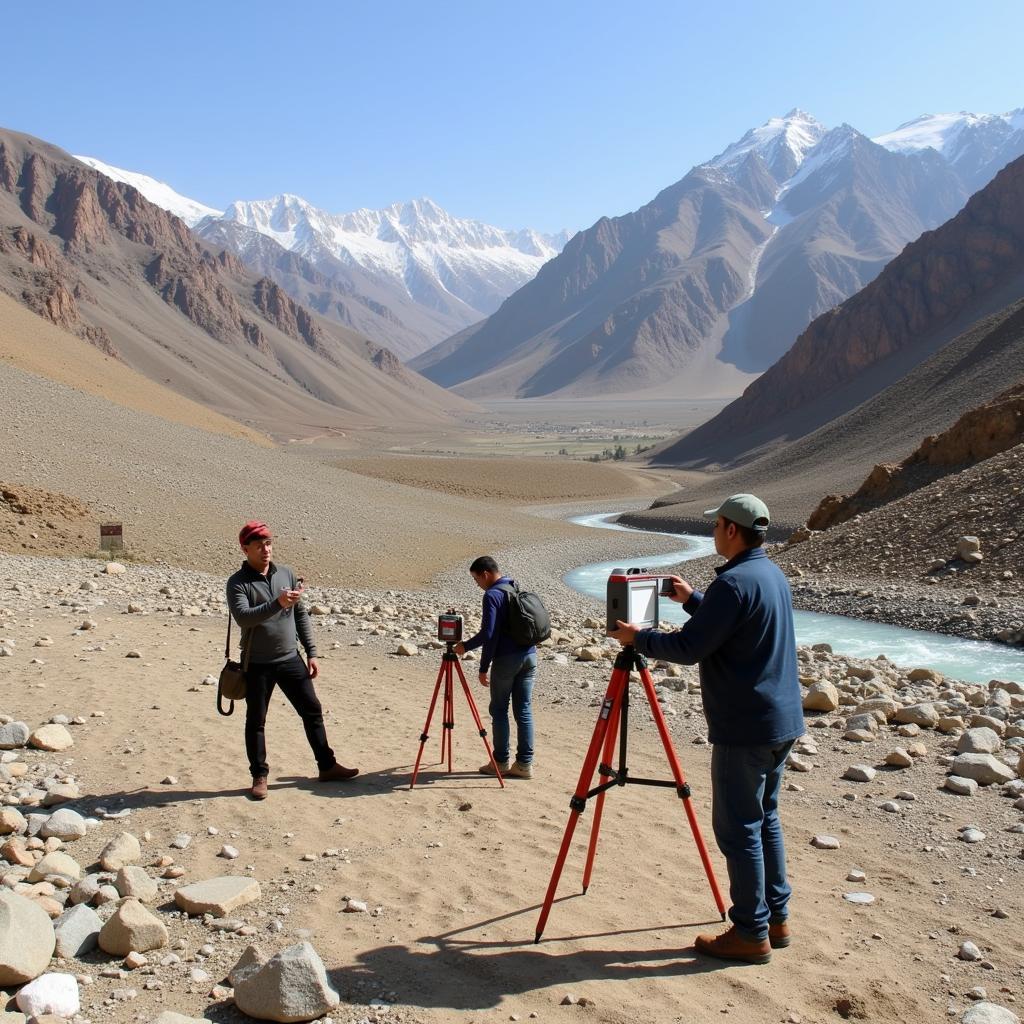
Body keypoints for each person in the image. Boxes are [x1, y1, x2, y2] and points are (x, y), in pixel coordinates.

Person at [608, 494, 803, 964]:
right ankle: (776, 919)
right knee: (765, 820)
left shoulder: (734, 584)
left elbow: (692, 647)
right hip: (781, 721)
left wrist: (639, 639)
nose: (713, 532)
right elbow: (734, 626)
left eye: (716, 526)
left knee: (739, 829)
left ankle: (750, 932)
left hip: (745, 727)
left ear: (732, 530)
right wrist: (694, 598)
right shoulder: (770, 575)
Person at [226, 520, 358, 800]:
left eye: (269, 543)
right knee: (256, 720)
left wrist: (311, 651)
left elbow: (300, 614)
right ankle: (259, 776)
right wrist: (278, 603)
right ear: (245, 548)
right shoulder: (237, 583)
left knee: (312, 710)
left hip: (290, 658)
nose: (266, 549)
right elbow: (243, 617)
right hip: (258, 663)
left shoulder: (286, 573)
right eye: (259, 545)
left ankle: (327, 765)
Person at [454, 555, 536, 780]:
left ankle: (499, 762)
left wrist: (474, 657)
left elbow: (488, 634)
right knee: (524, 710)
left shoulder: (492, 595)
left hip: (507, 659)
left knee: (499, 709)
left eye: (476, 579)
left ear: (486, 574)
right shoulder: (513, 586)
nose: (477, 584)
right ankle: (524, 764)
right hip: (530, 656)